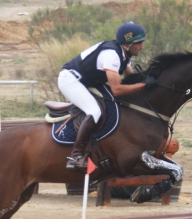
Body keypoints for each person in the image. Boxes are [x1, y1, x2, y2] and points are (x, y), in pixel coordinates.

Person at [58, 22, 150, 170]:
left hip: (88, 82)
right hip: (70, 80)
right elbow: (117, 90)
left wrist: (146, 80)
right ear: (127, 44)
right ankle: (74, 156)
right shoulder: (112, 55)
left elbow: (130, 78)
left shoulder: (125, 55)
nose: (142, 46)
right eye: (139, 43)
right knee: (94, 111)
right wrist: (144, 85)